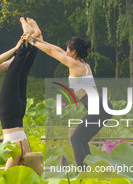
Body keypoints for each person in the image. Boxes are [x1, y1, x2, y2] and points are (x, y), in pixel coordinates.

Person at [24, 18, 112, 167]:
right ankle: (89, 170)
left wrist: (33, 42)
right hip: (102, 105)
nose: (65, 52)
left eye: (67, 50)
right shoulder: (83, 63)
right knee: (81, 139)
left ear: (74, 52)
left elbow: (53, 52)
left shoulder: (73, 64)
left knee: (76, 139)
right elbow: (57, 50)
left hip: (97, 106)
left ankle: (84, 172)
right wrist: (41, 40)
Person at [0, 18, 38, 169]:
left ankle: (33, 41)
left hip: (17, 127)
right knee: (17, 71)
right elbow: (12, 64)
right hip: (14, 123)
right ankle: (31, 39)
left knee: (20, 71)